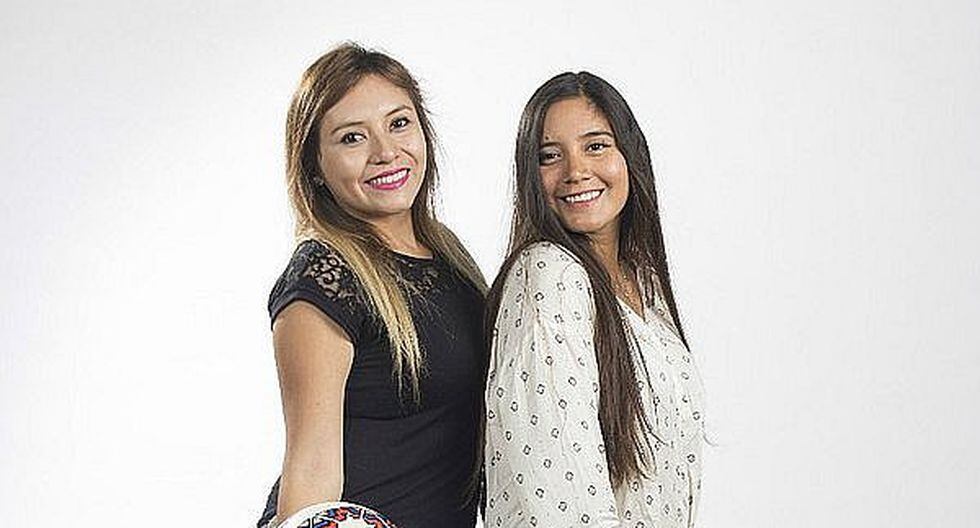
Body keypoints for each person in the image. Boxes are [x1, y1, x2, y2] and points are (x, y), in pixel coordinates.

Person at [257, 43, 487, 528]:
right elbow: (310, 471)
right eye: (352, 138)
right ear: (314, 166)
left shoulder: (446, 254)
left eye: (399, 123)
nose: (385, 152)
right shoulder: (325, 277)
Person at [484, 72, 706, 527]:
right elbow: (557, 487)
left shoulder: (643, 283)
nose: (576, 171)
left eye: (596, 146)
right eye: (550, 156)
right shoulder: (548, 275)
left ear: (630, 156)